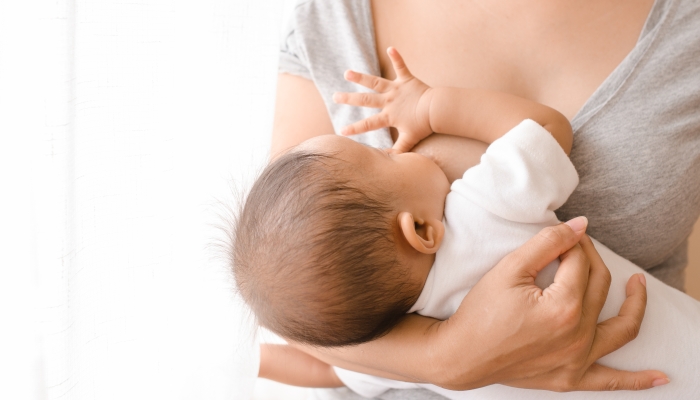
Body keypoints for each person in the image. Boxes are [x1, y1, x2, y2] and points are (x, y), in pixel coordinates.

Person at [271, 0, 700, 396]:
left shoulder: (385, 303)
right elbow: (547, 132)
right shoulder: (481, 208)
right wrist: (430, 107)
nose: (388, 149)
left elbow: (302, 348)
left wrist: (432, 359)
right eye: (383, 157)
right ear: (420, 229)